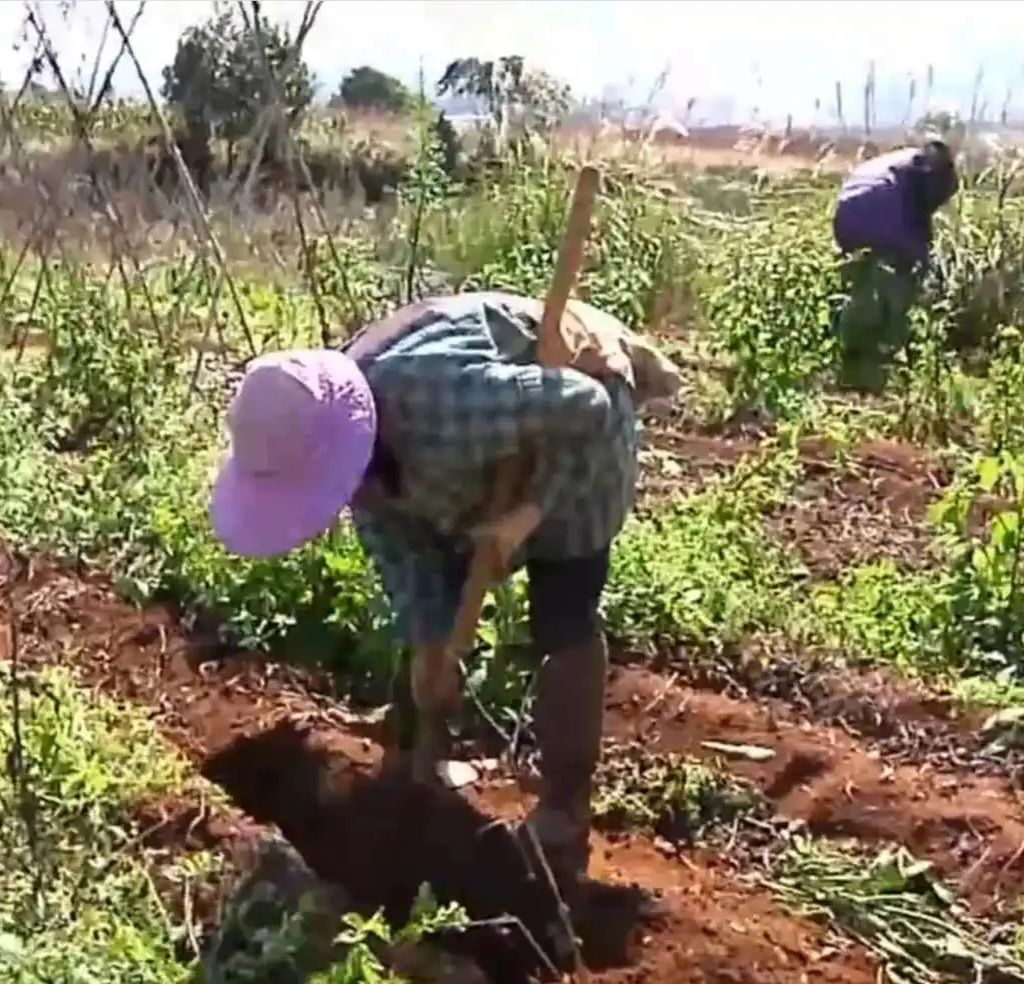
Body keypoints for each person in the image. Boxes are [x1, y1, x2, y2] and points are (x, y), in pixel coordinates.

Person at [208, 291, 680, 949]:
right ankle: (421, 765)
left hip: (579, 435)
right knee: (428, 635)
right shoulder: (348, 453)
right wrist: (433, 647)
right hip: (465, 460)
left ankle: (563, 814)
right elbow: (407, 561)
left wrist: (527, 515)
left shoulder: (446, 405)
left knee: (563, 614)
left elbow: (591, 410)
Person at [831, 138, 959, 392]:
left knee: (858, 279)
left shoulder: (909, 159)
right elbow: (917, 233)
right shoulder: (926, 179)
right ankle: (889, 350)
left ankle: (846, 343)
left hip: (845, 210)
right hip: (880, 208)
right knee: (901, 281)